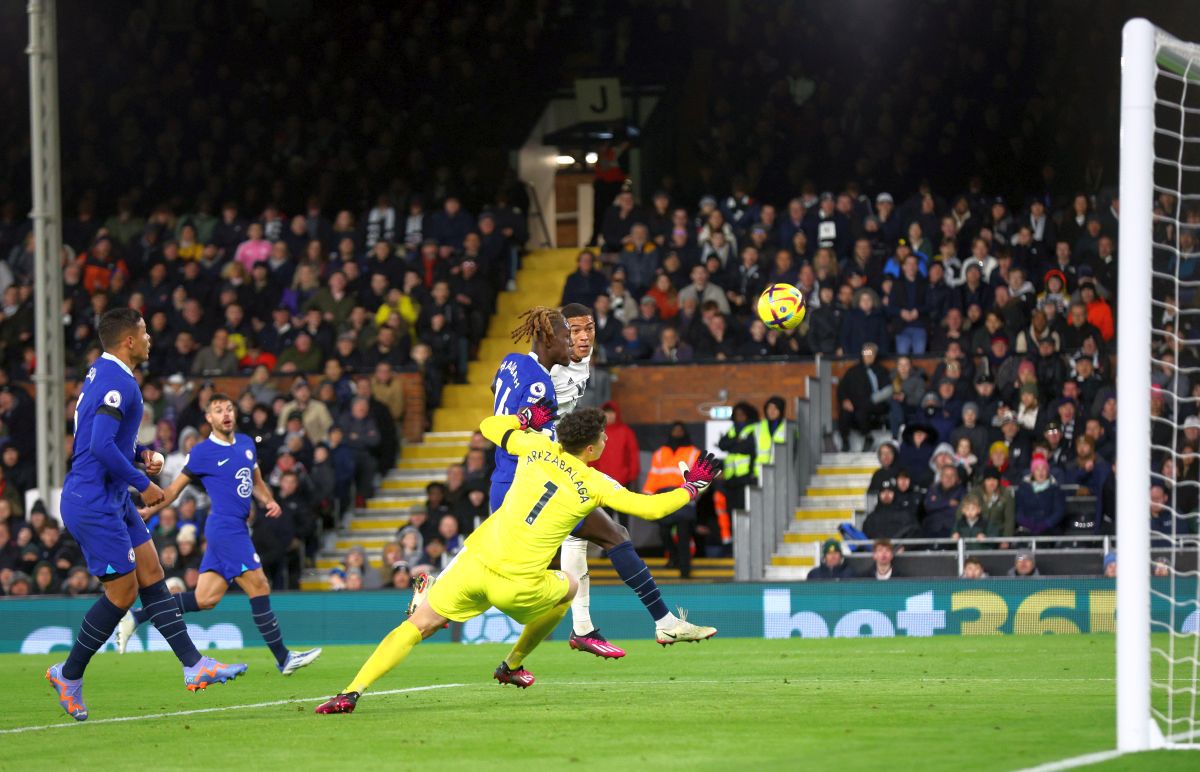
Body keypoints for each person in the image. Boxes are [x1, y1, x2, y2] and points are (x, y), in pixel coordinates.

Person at [314, 403, 722, 714]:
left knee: (417, 626)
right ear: (593, 446)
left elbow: (490, 427)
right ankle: (512, 663)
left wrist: (523, 417)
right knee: (571, 587)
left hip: (476, 561)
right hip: (518, 584)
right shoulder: (596, 483)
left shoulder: (536, 446)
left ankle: (350, 692)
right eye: (604, 437)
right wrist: (693, 486)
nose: (607, 441)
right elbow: (649, 509)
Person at [48, 309, 246, 721]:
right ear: (129, 342)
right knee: (122, 594)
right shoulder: (118, 382)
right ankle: (68, 675)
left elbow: (100, 436)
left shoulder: (103, 373)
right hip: (93, 501)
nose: (150, 337)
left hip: (110, 495)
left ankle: (194, 665)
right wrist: (143, 482)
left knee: (152, 572)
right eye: (144, 332)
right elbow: (100, 447)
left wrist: (141, 453)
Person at [543, 303, 717, 657]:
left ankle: (582, 628)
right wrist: (691, 488)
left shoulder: (580, 365)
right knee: (612, 535)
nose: (584, 336)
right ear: (557, 334)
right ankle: (661, 622)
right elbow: (649, 509)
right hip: (538, 468)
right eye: (574, 330)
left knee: (576, 541)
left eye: (589, 328)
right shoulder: (546, 365)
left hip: (556, 467)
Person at [120, 393, 322, 675]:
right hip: (225, 528)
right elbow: (175, 490)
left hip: (234, 528)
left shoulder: (246, 444)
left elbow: (257, 481)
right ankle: (283, 657)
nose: (225, 413)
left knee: (205, 599)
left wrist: (269, 501)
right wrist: (150, 511)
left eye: (229, 408)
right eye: (218, 410)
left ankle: (137, 616)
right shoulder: (203, 452)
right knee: (260, 585)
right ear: (209, 418)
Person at [644, 422, 701, 579]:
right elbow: (653, 475)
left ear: (684, 432)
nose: (677, 433)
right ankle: (674, 558)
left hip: (683, 496)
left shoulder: (693, 452)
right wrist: (647, 495)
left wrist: (693, 493)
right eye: (674, 430)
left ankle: (685, 570)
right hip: (664, 497)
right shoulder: (660, 453)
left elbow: (697, 477)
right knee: (664, 532)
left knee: (683, 535)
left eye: (680, 430)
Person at [837, 342, 891, 451]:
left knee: (861, 411)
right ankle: (845, 441)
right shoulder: (852, 371)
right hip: (854, 404)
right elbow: (842, 388)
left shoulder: (882, 371)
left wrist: (872, 400)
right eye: (866, 353)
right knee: (845, 412)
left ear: (875, 355)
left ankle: (868, 437)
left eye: (872, 353)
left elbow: (887, 390)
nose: (869, 356)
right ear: (862, 354)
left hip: (875, 405)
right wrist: (844, 400)